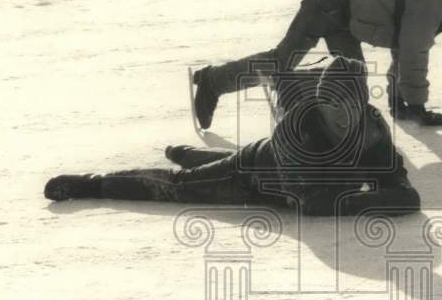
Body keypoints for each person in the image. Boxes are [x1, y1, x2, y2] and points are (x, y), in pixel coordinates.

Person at [45, 57, 419, 217]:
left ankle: (190, 153)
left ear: (360, 104)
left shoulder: (373, 129)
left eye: (342, 106)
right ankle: (92, 184)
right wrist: (371, 196)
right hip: (253, 175)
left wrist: (370, 194)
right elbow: (312, 203)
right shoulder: (297, 128)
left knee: (203, 166)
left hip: (288, 172)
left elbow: (407, 195)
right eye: (326, 105)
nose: (333, 115)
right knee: (180, 186)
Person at [191, 0, 442, 131]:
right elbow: (413, 58)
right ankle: (212, 82)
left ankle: (335, 132)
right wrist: (418, 109)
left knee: (353, 77)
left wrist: (399, 103)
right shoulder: (430, 8)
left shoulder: (429, 6)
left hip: (344, 19)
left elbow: (401, 54)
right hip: (328, 4)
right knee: (281, 62)